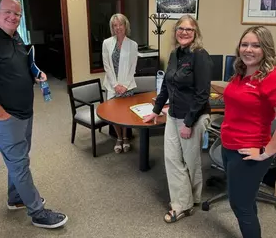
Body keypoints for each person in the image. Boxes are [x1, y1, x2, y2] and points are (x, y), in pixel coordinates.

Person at [0, 0, 68, 229]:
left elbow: (23, 63)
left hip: (25, 111)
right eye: (8, 12)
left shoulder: (15, 37)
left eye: (18, 14)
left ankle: (16, 198)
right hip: (6, 117)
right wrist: (1, 114)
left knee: (19, 159)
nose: (13, 17)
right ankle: (37, 212)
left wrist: (36, 74)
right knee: (20, 164)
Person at [144, 15, 212, 223]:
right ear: (175, 32)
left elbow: (202, 93)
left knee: (191, 162)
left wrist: (189, 122)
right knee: (173, 160)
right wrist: (156, 110)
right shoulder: (174, 54)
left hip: (193, 116)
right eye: (180, 29)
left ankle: (194, 198)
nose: (184, 32)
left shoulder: (200, 56)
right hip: (173, 114)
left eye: (189, 29)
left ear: (196, 33)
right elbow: (166, 85)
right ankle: (182, 204)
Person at [221, 26, 276, 238]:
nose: (248, 50)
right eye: (245, 44)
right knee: (245, 200)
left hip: (249, 151)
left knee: (240, 206)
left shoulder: (270, 77)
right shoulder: (241, 73)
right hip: (229, 146)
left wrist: (266, 152)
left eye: (256, 45)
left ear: (266, 49)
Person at [102, 13, 138, 153]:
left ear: (125, 25)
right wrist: (115, 85)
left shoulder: (133, 45)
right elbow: (107, 65)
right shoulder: (106, 43)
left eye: (120, 24)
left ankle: (126, 137)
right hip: (112, 85)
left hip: (127, 85)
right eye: (115, 25)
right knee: (114, 114)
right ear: (112, 28)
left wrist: (125, 85)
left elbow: (132, 67)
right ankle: (118, 137)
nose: (118, 28)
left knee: (125, 114)